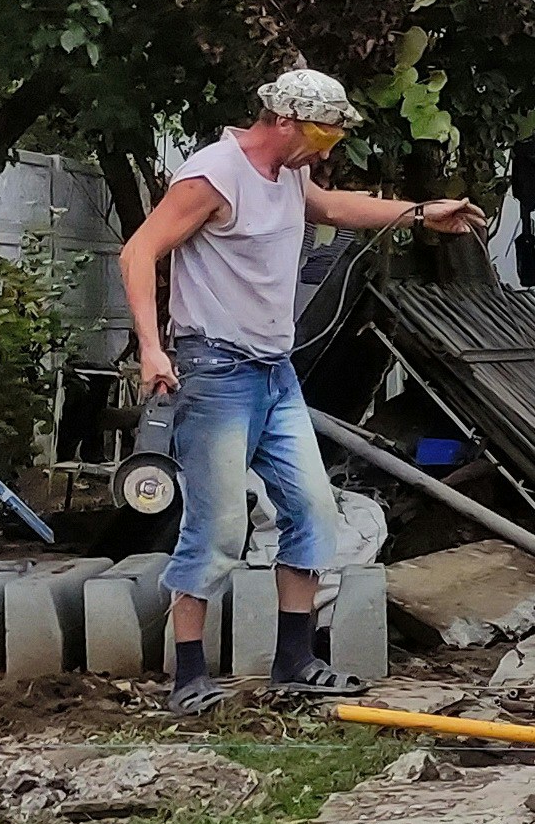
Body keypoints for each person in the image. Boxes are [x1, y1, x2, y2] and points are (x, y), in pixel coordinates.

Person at [117, 69, 481, 712]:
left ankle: (294, 661)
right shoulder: (213, 176)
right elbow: (139, 252)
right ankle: (188, 677)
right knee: (219, 527)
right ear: (284, 121)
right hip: (215, 372)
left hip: (274, 373)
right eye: (321, 134)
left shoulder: (288, 175)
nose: (327, 149)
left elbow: (334, 208)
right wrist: (151, 345)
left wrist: (421, 213)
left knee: (314, 514)